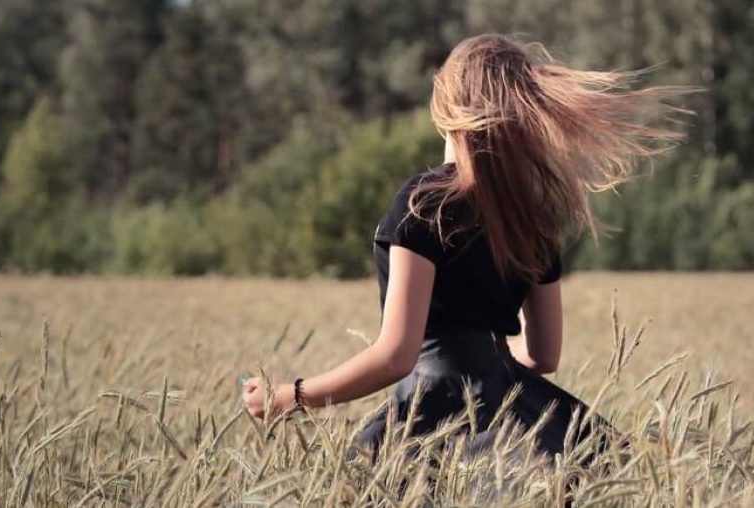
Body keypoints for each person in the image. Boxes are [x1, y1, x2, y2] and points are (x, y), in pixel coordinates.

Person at [241, 33, 686, 462]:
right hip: (516, 402)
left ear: (446, 106)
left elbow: (397, 355)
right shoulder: (532, 214)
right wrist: (486, 368)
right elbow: (544, 355)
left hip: (431, 415)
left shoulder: (422, 202)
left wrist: (289, 397)